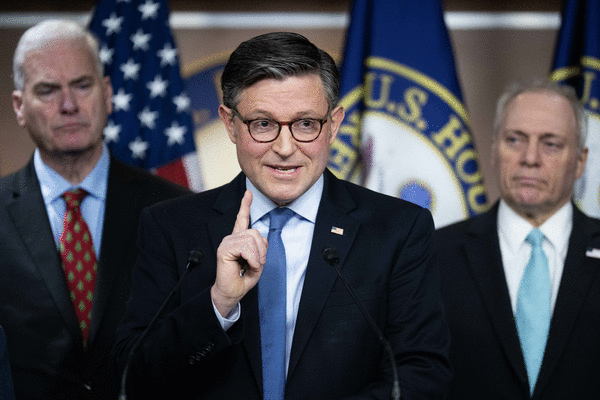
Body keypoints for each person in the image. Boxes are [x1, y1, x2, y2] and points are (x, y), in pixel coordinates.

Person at [112, 32, 451, 399]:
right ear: (230, 124)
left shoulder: (398, 229)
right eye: (263, 124)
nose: (285, 148)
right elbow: (131, 376)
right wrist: (218, 304)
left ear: (333, 124)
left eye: (305, 124)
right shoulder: (170, 227)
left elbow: (420, 376)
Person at [0, 20, 189, 399]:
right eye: (48, 90)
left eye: (82, 85)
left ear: (107, 93)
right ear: (19, 106)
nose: (69, 105)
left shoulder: (174, 208)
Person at [436, 80, 600, 399]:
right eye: (515, 140)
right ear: (494, 149)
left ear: (580, 161)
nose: (530, 157)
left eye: (550, 144)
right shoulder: (434, 253)